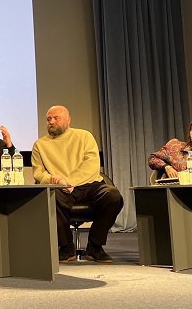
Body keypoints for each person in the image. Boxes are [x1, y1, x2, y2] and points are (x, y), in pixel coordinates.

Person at [31, 105, 123, 263]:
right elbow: (38, 173)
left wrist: (70, 181)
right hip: (59, 187)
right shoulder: (40, 144)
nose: (51, 122)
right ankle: (66, 248)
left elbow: (91, 165)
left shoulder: (84, 136)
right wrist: (58, 181)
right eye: (48, 119)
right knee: (50, 196)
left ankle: (95, 246)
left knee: (113, 196)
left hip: (88, 185)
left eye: (56, 118)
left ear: (68, 120)